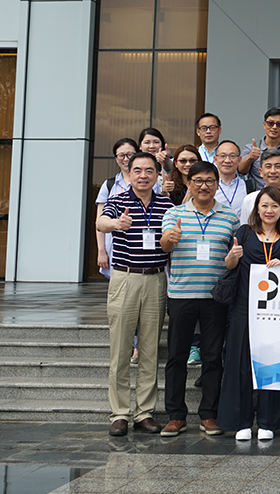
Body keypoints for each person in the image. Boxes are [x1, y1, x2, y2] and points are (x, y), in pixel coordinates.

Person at [158, 161, 239, 438]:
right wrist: (170, 238)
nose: (204, 186)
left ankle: (209, 414)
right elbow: (164, 246)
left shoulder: (230, 217)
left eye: (209, 181)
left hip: (214, 297)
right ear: (189, 184)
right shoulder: (173, 214)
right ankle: (175, 416)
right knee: (177, 356)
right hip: (181, 294)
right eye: (198, 181)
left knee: (213, 357)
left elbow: (233, 255)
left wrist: (231, 259)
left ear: (217, 184)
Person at [97, 152, 174, 437]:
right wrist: (115, 225)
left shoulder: (166, 204)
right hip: (125, 278)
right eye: (138, 170)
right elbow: (101, 223)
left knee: (150, 349)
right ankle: (119, 413)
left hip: (155, 279)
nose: (143, 175)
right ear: (129, 174)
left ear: (157, 175)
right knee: (120, 349)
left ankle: (144, 412)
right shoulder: (118, 201)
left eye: (149, 171)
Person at [219, 186, 280, 441]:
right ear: (257, 209)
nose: (269, 210)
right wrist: (232, 256)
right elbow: (229, 265)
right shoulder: (244, 232)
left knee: (272, 364)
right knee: (239, 364)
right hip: (244, 308)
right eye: (264, 205)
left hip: (275, 312)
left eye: (274, 206)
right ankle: (241, 421)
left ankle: (268, 421)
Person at [96, 138, 137, 279]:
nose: (126, 159)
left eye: (130, 155)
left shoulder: (148, 183)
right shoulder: (109, 185)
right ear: (115, 158)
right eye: (121, 155)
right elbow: (99, 221)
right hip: (113, 247)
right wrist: (101, 251)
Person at [238, 108, 280, 190]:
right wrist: (250, 157)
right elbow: (240, 171)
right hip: (258, 195)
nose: (274, 127)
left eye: (279, 124)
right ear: (264, 125)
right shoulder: (251, 148)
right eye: (270, 123)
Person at [213, 140, 251, 216]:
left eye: (232, 156)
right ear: (215, 160)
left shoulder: (248, 186)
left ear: (239, 160)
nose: (227, 160)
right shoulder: (209, 186)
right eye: (222, 156)